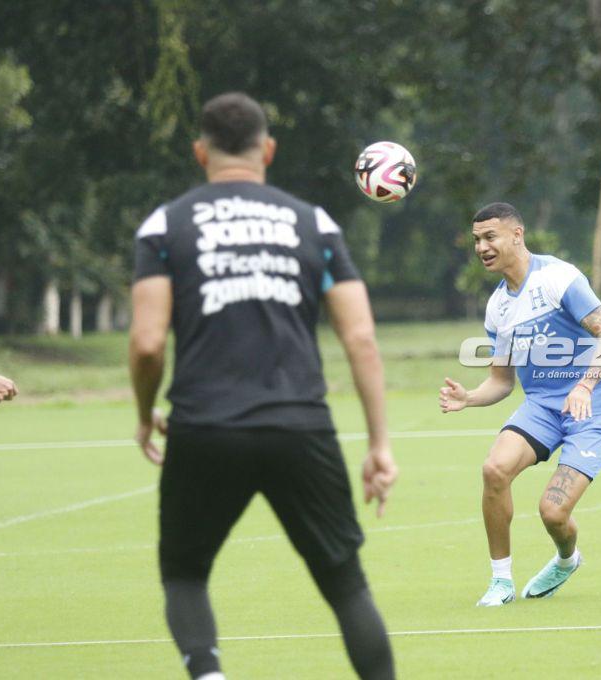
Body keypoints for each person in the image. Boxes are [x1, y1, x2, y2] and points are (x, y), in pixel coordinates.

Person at [129, 92, 397, 680]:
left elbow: (148, 345)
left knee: (185, 573)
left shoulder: (165, 226)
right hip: (300, 426)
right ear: (267, 149)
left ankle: (210, 674)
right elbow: (361, 340)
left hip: (205, 426)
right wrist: (379, 444)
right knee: (345, 584)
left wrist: (146, 414)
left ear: (200, 152)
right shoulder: (315, 223)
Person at [438, 202, 601, 606]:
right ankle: (501, 582)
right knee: (494, 470)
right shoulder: (498, 307)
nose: (482, 247)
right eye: (476, 240)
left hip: (597, 407)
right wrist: (469, 398)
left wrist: (584, 386)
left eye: (490, 237)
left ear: (517, 235)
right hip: (543, 406)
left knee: (553, 514)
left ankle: (566, 559)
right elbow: (501, 381)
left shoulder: (557, 278)